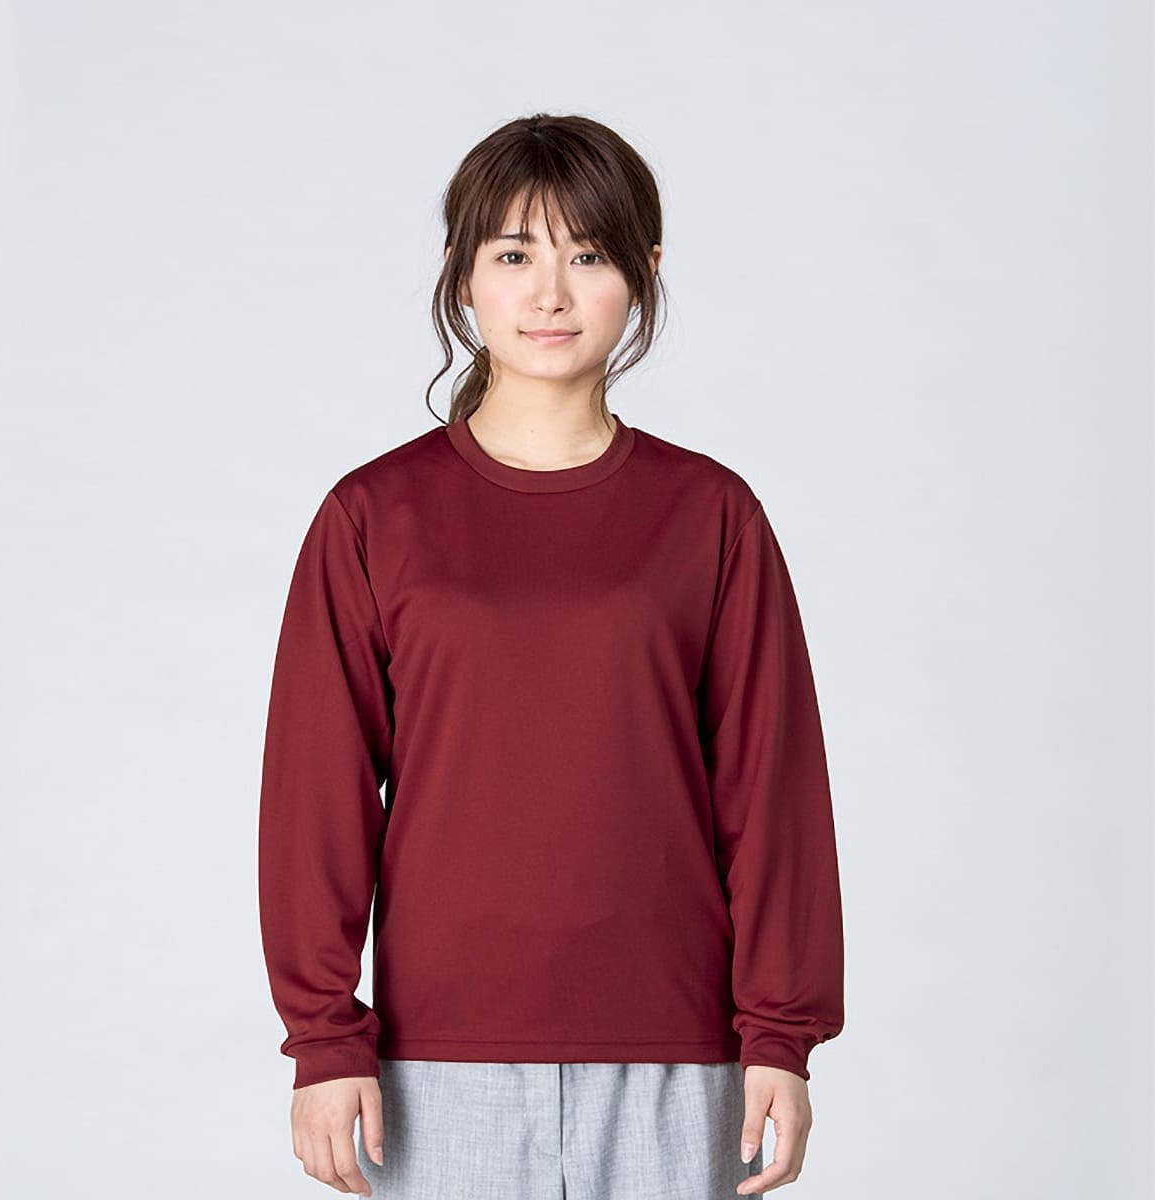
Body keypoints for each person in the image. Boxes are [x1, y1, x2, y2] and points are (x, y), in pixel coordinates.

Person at [257, 112, 845, 1198]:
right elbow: (316, 795)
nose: (551, 295)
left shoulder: (709, 515)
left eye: (589, 255)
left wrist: (780, 1034)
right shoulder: (373, 517)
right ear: (461, 273)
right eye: (515, 255)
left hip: (676, 1053)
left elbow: (772, 791)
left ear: (645, 273)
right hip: (434, 1064)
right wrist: (325, 1037)